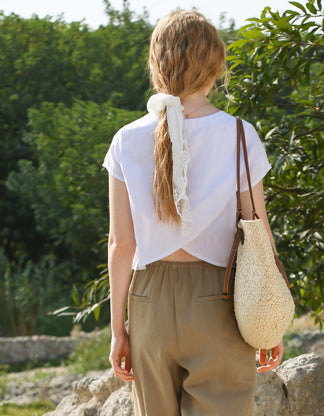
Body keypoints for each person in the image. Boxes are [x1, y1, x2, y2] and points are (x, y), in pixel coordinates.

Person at [103, 10, 285, 416]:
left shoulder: (125, 139)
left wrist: (118, 331)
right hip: (218, 298)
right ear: (216, 66)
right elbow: (259, 233)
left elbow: (121, 245)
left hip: (148, 299)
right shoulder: (240, 134)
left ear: (156, 64)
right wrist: (268, 316)